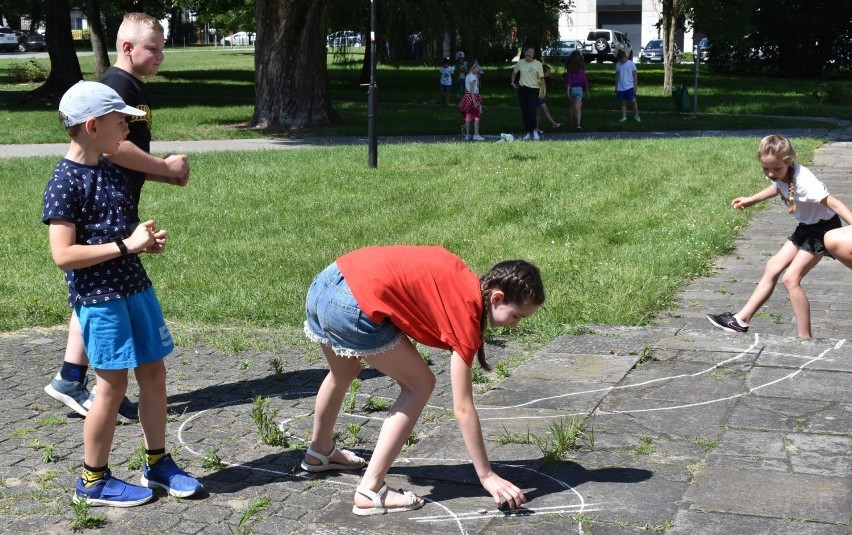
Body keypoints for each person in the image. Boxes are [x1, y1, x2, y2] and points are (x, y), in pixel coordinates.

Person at [44, 81, 203, 507]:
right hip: (100, 300)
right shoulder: (65, 181)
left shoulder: (111, 169)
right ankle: (92, 481)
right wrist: (124, 246)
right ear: (93, 126)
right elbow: (63, 254)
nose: (127, 131)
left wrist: (141, 242)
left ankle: (158, 464)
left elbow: (117, 232)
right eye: (121, 123)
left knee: (154, 376)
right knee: (110, 387)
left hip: (135, 288)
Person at [302, 245, 545, 515]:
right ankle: (370, 490)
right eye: (516, 316)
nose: (515, 324)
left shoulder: (462, 277)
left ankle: (319, 452)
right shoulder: (465, 315)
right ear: (497, 298)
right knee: (420, 384)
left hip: (327, 282)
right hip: (352, 303)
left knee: (343, 372)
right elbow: (463, 408)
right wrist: (486, 475)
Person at [44, 12, 191, 425]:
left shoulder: (130, 88)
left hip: (117, 207)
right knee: (95, 296)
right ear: (127, 47)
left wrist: (159, 177)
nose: (161, 57)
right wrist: (163, 167)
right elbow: (112, 149)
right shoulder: (112, 88)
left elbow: (118, 152)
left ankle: (72, 377)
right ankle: (79, 384)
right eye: (154, 50)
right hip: (103, 214)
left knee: (102, 292)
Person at [706, 135, 852, 338]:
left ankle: (805, 338)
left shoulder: (805, 182)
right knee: (772, 266)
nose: (771, 173)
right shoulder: (779, 172)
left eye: (775, 169)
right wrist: (751, 200)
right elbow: (777, 187)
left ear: (788, 161)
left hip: (823, 229)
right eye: (766, 169)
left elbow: (835, 204)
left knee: (791, 279)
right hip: (806, 227)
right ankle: (741, 320)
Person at [510, 47, 546, 141]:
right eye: (526, 55)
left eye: (529, 55)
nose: (527, 57)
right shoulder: (520, 62)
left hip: (534, 89)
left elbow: (542, 79)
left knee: (531, 110)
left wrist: (542, 91)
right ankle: (527, 132)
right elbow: (514, 72)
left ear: (533, 55)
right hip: (522, 89)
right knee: (524, 112)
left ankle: (534, 130)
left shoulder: (538, 64)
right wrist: (513, 82)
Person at [458, 60, 485, 141]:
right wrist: (474, 102)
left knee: (468, 117)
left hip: (468, 97)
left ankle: (467, 135)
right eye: (476, 67)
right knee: (477, 116)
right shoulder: (473, 78)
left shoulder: (468, 76)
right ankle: (476, 134)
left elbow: (467, 89)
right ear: (472, 68)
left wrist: (477, 77)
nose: (478, 68)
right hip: (474, 97)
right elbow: (473, 90)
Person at [564, 50, 590, 131]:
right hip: (579, 90)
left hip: (572, 90)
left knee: (571, 106)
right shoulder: (581, 72)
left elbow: (569, 82)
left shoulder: (570, 72)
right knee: (578, 107)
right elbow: (585, 82)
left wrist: (568, 92)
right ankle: (578, 124)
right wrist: (588, 92)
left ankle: (570, 122)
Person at [614, 49, 640, 123]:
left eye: (621, 59)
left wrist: (635, 86)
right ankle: (624, 117)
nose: (621, 61)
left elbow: (635, 76)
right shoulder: (618, 65)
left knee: (633, 101)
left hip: (630, 87)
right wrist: (616, 87)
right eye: (619, 60)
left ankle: (636, 115)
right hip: (621, 87)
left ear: (624, 57)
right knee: (623, 102)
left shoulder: (631, 64)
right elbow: (617, 77)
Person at [535, 64, 561, 134]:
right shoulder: (540, 78)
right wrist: (542, 94)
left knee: (538, 113)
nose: (549, 73)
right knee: (545, 110)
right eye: (548, 72)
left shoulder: (542, 78)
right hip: (538, 97)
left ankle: (536, 128)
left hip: (539, 97)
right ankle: (554, 124)